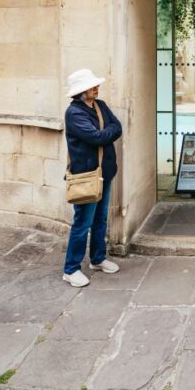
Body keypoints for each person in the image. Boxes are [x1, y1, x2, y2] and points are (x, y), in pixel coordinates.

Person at [63, 69, 123, 287]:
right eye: (91, 86)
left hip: (105, 172)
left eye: (96, 85)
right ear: (81, 91)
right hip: (87, 175)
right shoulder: (74, 113)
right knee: (83, 222)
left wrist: (106, 133)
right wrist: (106, 133)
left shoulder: (101, 105)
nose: (96, 88)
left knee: (101, 219)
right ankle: (71, 269)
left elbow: (118, 127)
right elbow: (96, 137)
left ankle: (98, 259)